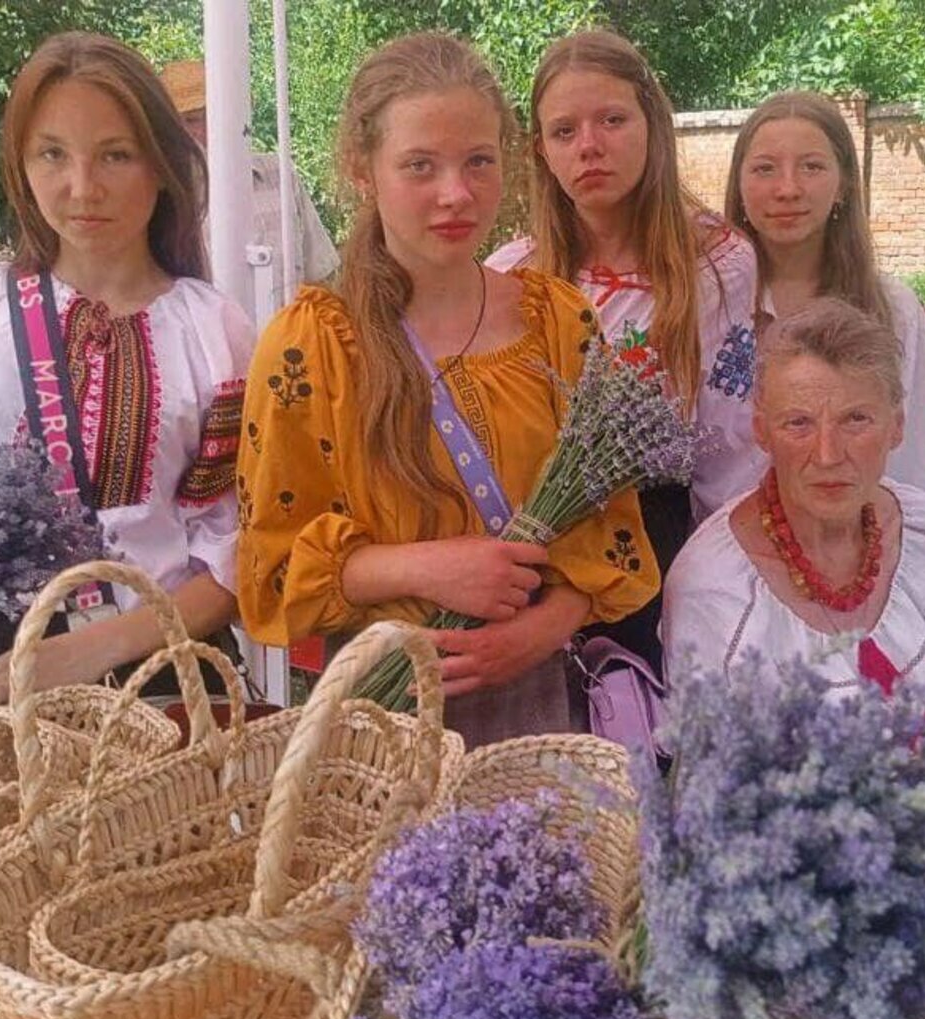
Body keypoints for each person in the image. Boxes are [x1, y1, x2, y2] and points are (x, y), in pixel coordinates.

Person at [237, 33, 658, 748]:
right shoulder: (311, 346)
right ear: (362, 170)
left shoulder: (559, 322)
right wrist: (425, 568)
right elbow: (270, 568)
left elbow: (609, 528)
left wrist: (533, 635)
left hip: (541, 716)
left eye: (478, 161)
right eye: (419, 166)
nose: (455, 194)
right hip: (381, 725)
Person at [0, 32, 253, 709]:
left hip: (159, 675)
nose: (82, 188)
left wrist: (89, 649)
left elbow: (236, 555)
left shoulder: (212, 332)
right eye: (52, 154)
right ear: (20, 164)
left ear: (161, 165)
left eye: (115, 155)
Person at [486, 28, 763, 674]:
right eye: (564, 131)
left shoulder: (715, 264)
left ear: (651, 125)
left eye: (612, 120)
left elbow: (727, 445)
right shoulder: (511, 276)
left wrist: (721, 583)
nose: (589, 145)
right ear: (541, 150)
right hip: (535, 546)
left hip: (659, 543)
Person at [661, 298, 925, 741]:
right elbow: (710, 769)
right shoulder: (715, 589)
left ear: (896, 426)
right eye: (798, 423)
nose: (827, 454)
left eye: (855, 419)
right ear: (762, 432)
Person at [725, 91, 925, 502]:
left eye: (811, 166)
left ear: (844, 183)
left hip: (856, 535)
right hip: (722, 532)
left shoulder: (893, 309)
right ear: (739, 184)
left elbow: (920, 465)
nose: (787, 188)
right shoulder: (705, 302)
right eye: (764, 168)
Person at [161, 58, 340, 317]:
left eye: (218, 114)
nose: (210, 129)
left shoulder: (279, 173)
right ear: (170, 130)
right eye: (193, 120)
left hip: (292, 337)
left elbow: (321, 274)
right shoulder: (167, 197)